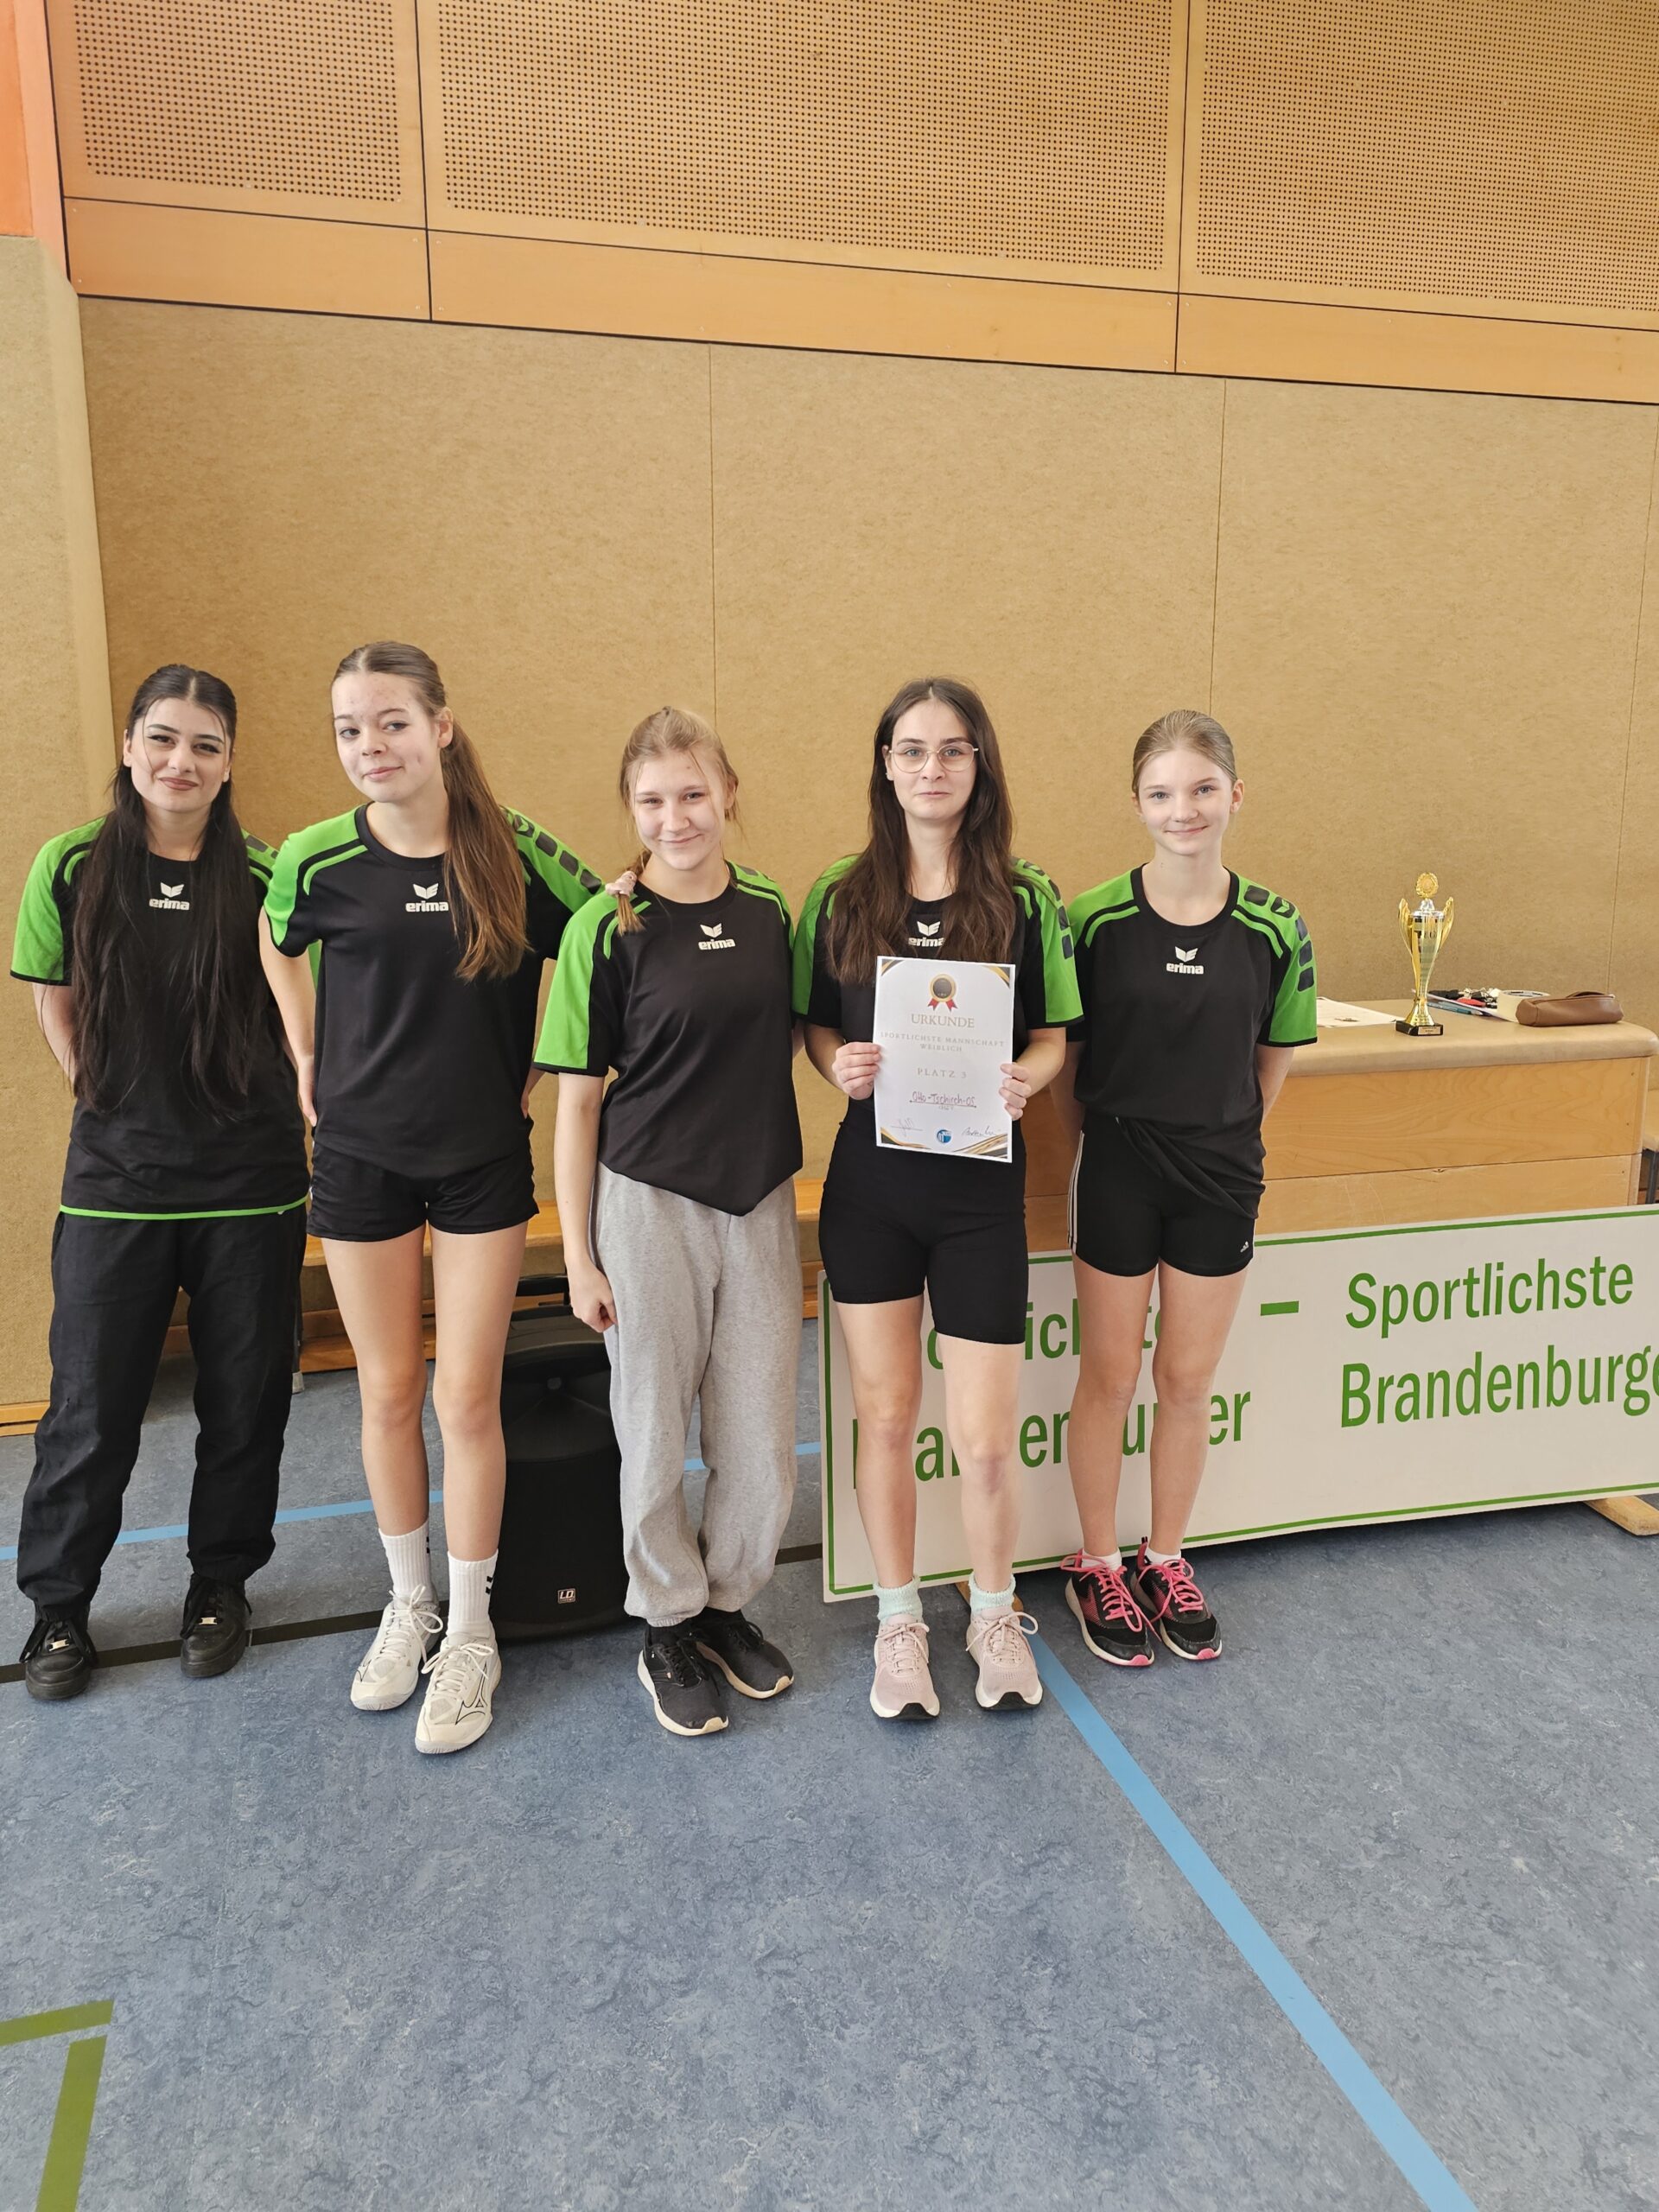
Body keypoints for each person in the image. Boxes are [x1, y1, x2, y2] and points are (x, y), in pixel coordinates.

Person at [260, 641, 600, 1754]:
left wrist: (552, 1048)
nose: (371, 746)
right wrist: (306, 1050)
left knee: (466, 1399)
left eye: (393, 722)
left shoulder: (515, 849)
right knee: (388, 1389)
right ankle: (410, 1604)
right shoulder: (314, 858)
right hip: (360, 1160)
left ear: (441, 727)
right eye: (350, 728)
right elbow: (276, 938)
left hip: (480, 1165)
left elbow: (607, 928)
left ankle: (473, 1630)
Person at [11, 665, 309, 1700]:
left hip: (251, 1186)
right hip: (115, 1186)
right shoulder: (68, 865)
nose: (182, 761)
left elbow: (309, 1011)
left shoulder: (269, 875)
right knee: (90, 1408)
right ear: (131, 746)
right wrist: (94, 1084)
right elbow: (51, 994)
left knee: (245, 1402)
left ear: (229, 764)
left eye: (206, 745)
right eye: (164, 738)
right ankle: (58, 1605)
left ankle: (220, 1584)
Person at [796, 677, 1078, 1720]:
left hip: (979, 1198)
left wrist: (1026, 1079)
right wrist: (837, 1064)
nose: (931, 768)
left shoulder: (1026, 896)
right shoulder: (838, 894)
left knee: (987, 1437)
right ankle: (898, 1618)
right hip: (872, 1191)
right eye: (911, 750)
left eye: (953, 750)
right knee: (884, 1418)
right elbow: (816, 1024)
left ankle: (994, 1611)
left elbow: (1052, 1038)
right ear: (885, 765)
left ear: (979, 764)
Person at [540, 707, 802, 1738]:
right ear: (631, 807)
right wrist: (579, 1254)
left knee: (759, 1429)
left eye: (693, 793)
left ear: (728, 793)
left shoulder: (773, 910)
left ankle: (727, 1603)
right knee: (651, 1426)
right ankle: (666, 1622)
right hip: (646, 1204)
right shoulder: (605, 927)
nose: (675, 817)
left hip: (759, 1199)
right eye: (652, 800)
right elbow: (576, 1104)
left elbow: (794, 1035)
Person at [1051, 708, 1316, 1666]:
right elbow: (1068, 1069)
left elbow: (1270, 1064)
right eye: (1162, 793)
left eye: (1202, 789)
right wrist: (1110, 1146)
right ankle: (1098, 1563)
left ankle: (1165, 1556)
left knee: (1186, 1381)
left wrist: (1218, 1134)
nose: (1184, 810)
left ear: (1236, 795)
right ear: (1137, 803)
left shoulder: (1277, 925)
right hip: (1119, 1171)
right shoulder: (1090, 921)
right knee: (1110, 1377)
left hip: (1221, 1178)